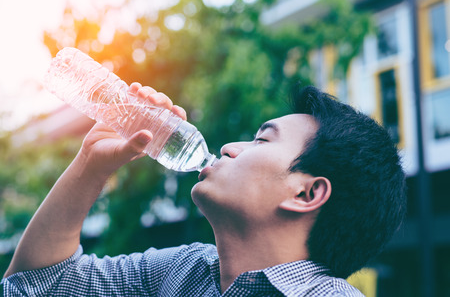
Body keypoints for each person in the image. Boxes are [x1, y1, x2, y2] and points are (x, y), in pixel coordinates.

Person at [2, 83, 406, 296]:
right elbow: (41, 286)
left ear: (305, 194)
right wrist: (90, 165)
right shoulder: (185, 271)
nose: (230, 147)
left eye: (262, 141)